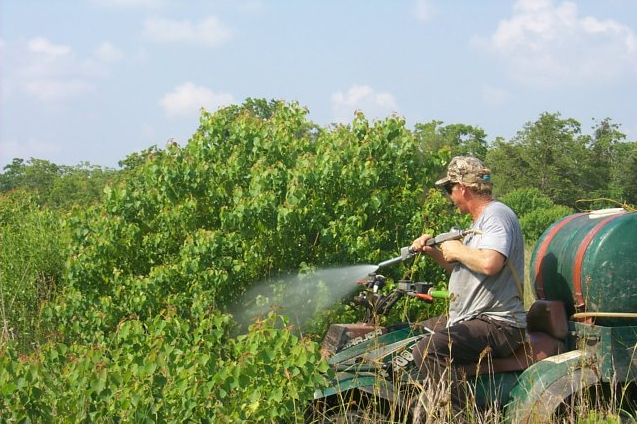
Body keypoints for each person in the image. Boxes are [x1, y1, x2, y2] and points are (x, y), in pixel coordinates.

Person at [409, 156, 526, 421]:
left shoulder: (496, 216)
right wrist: (434, 253)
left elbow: (489, 264)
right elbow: (467, 269)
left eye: (449, 189)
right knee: (412, 333)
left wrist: (459, 249)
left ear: (462, 187)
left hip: (499, 324)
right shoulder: (479, 222)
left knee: (427, 350)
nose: (450, 196)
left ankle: (461, 417)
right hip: (476, 319)